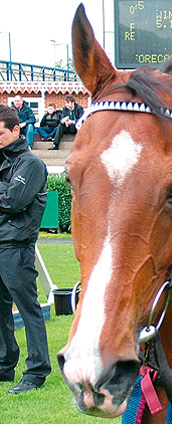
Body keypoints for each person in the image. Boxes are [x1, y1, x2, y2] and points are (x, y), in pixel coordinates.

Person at [0, 104, 51, 394]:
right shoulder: (6, 160)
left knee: (29, 309)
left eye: (0, 133)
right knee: (0, 310)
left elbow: (14, 201)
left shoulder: (31, 163)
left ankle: (36, 371)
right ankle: (4, 366)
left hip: (16, 247)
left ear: (16, 129)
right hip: (5, 241)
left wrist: (5, 199)